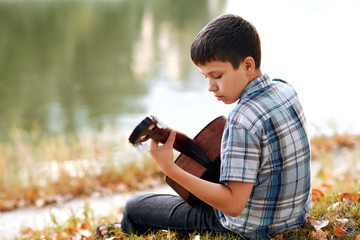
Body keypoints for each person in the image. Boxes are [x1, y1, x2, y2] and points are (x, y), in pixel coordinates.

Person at [96, 13, 312, 239]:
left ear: (247, 64)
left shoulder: (241, 120)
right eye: (205, 77)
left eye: (217, 75)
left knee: (135, 207)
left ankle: (121, 232)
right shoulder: (285, 90)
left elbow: (233, 205)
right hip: (295, 215)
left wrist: (170, 169)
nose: (210, 86)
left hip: (251, 228)